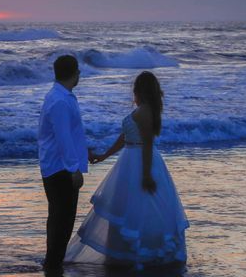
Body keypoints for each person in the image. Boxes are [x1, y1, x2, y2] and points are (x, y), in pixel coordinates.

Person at [64, 71, 189, 270]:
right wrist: (104, 155)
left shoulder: (146, 111)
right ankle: (122, 254)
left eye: (136, 88)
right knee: (123, 208)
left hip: (140, 161)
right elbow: (125, 137)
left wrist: (147, 175)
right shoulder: (143, 109)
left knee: (141, 210)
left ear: (141, 90)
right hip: (129, 159)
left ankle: (140, 255)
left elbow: (147, 144)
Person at [38, 55, 92, 271]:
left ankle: (53, 262)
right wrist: (73, 169)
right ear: (74, 73)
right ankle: (53, 264)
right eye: (78, 70)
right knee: (63, 219)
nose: (80, 74)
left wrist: (84, 153)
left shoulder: (61, 96)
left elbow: (69, 134)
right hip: (60, 168)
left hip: (57, 165)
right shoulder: (59, 100)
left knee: (59, 218)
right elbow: (62, 137)